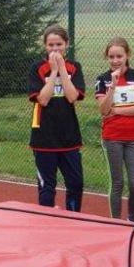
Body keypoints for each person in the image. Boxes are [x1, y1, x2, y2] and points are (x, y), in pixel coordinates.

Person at [28, 24, 86, 212]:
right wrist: (53, 72)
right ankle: (46, 223)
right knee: (47, 187)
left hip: (69, 135)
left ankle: (73, 219)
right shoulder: (37, 68)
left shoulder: (74, 67)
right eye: (51, 45)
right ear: (45, 46)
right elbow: (42, 100)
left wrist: (62, 70)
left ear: (67, 44)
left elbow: (71, 96)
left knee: (76, 184)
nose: (55, 49)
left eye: (59, 44)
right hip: (43, 136)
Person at [94, 37, 134, 223]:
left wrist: (116, 110)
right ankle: (116, 222)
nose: (115, 60)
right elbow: (103, 110)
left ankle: (132, 218)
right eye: (111, 56)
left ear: (127, 55)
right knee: (117, 182)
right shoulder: (102, 79)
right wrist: (113, 86)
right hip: (112, 137)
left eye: (119, 56)